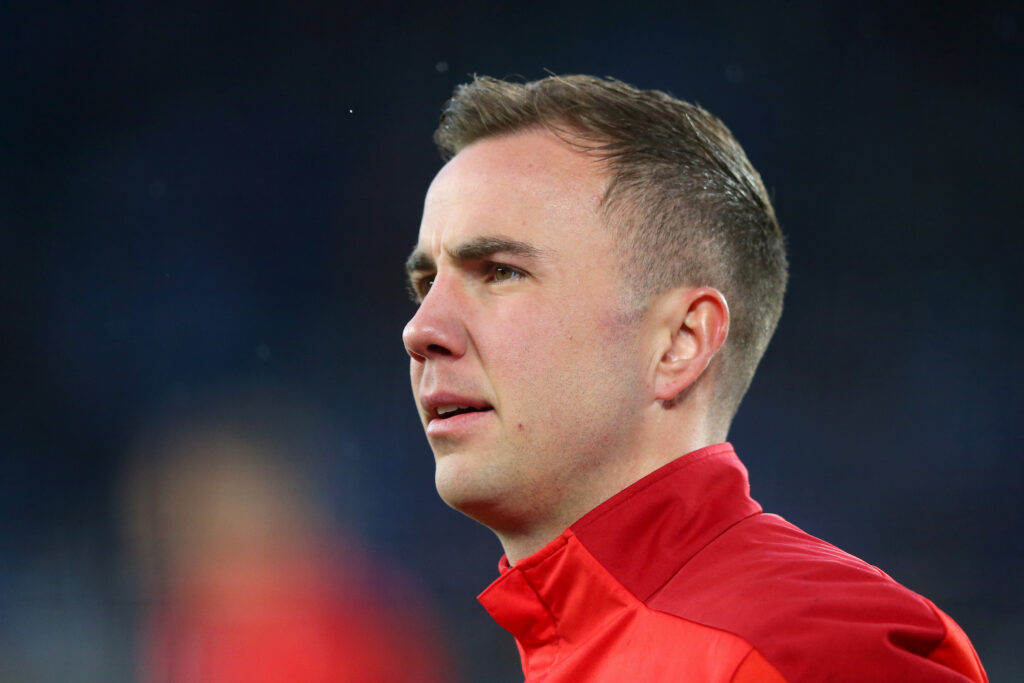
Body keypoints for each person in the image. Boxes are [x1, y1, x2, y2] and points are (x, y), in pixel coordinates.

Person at [402, 74, 987, 682]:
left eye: (500, 271)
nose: (420, 329)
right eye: (426, 284)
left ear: (680, 343)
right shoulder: (611, 645)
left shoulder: (808, 651)